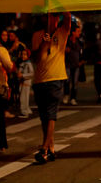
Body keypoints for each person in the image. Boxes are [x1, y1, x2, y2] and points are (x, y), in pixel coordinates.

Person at [31, 12, 71, 164]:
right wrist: (44, 43)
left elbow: (68, 17)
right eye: (47, 16)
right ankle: (51, 148)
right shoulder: (37, 35)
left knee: (51, 114)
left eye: (54, 16)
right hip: (40, 79)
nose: (51, 19)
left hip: (56, 78)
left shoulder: (62, 32)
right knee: (43, 117)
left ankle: (44, 149)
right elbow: (36, 58)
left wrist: (62, 3)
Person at [63, 23, 84, 105]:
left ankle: (73, 98)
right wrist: (65, 50)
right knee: (67, 81)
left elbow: (83, 53)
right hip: (67, 64)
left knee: (75, 83)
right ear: (73, 32)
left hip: (76, 65)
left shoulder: (80, 42)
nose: (79, 33)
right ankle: (66, 95)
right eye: (78, 31)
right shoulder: (67, 41)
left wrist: (82, 61)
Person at [18, 48, 35, 117]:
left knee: (23, 98)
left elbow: (32, 73)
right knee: (24, 97)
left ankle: (24, 112)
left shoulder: (28, 64)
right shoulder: (24, 63)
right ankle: (27, 109)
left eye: (25, 54)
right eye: (22, 54)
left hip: (26, 83)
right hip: (23, 82)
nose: (23, 56)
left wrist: (23, 75)